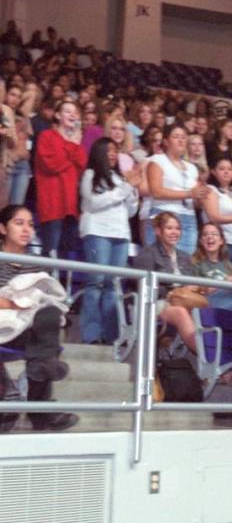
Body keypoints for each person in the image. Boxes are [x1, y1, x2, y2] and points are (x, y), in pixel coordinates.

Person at [0, 204, 77, 431]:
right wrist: (16, 303)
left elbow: (49, 296)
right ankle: (37, 412)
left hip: (29, 327)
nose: (26, 229)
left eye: (31, 225)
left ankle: (22, 403)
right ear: (3, 228)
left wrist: (29, 305)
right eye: (19, 223)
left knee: (50, 314)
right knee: (44, 350)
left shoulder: (38, 264)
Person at [78, 137, 139, 345]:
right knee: (96, 282)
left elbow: (131, 211)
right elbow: (93, 203)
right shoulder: (90, 174)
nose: (113, 154)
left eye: (115, 150)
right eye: (108, 150)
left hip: (121, 234)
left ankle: (111, 335)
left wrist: (132, 191)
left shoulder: (121, 178)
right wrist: (124, 189)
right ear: (98, 153)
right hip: (98, 233)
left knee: (113, 285)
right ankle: (91, 334)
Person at [132, 212, 199, 353]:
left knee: (206, 312)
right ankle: (208, 357)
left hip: (183, 301)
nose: (174, 232)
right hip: (156, 303)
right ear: (158, 231)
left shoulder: (185, 257)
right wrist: (173, 293)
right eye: (169, 228)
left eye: (177, 228)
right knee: (181, 312)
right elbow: (144, 289)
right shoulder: (147, 254)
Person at [34, 98, 85, 257]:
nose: (72, 115)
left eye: (74, 112)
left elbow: (82, 165)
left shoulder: (76, 142)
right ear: (57, 115)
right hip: (53, 204)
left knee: (65, 256)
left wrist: (74, 144)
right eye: (67, 111)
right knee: (50, 253)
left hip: (70, 205)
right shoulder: (46, 136)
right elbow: (52, 165)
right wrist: (72, 145)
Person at [146, 122, 208, 252]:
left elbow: (195, 199)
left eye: (184, 137)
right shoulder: (157, 161)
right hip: (164, 216)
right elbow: (156, 191)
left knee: (185, 264)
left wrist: (202, 196)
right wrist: (189, 193)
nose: (181, 140)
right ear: (166, 141)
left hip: (189, 220)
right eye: (176, 137)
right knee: (162, 264)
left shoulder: (192, 168)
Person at [192, 223, 232, 319]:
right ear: (201, 241)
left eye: (214, 234)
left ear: (221, 240)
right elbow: (195, 290)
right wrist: (222, 283)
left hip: (231, 302)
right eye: (205, 234)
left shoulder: (228, 266)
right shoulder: (196, 264)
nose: (209, 237)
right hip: (210, 301)